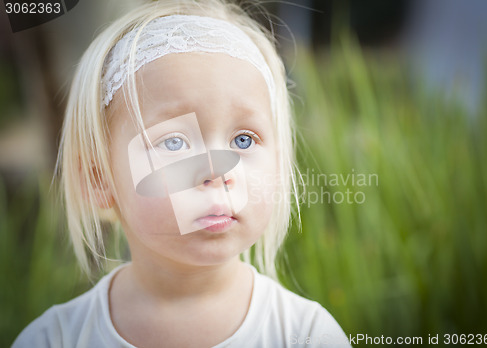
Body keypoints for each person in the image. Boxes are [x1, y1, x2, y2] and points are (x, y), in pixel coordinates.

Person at [13, 0, 350, 347]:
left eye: (243, 139)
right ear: (99, 180)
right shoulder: (54, 339)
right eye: (173, 142)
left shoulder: (307, 334)